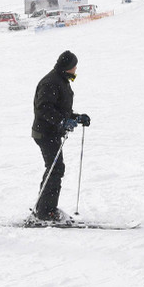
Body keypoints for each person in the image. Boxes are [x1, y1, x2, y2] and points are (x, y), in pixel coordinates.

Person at [31, 50, 90, 223]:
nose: (76, 68)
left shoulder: (61, 80)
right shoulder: (51, 82)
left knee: (55, 169)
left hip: (51, 132)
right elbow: (43, 108)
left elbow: (60, 109)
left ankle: (45, 208)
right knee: (55, 169)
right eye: (74, 66)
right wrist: (62, 122)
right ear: (67, 67)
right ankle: (45, 211)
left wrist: (76, 118)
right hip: (44, 132)